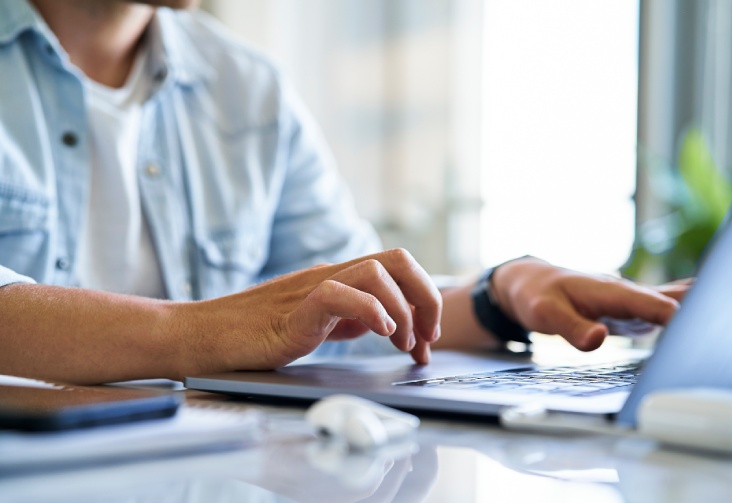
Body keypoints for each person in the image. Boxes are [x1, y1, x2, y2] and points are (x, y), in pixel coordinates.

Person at [0, 0, 687, 385]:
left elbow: (344, 316)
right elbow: (252, 323)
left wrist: (501, 296)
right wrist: (207, 330)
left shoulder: (248, 87)